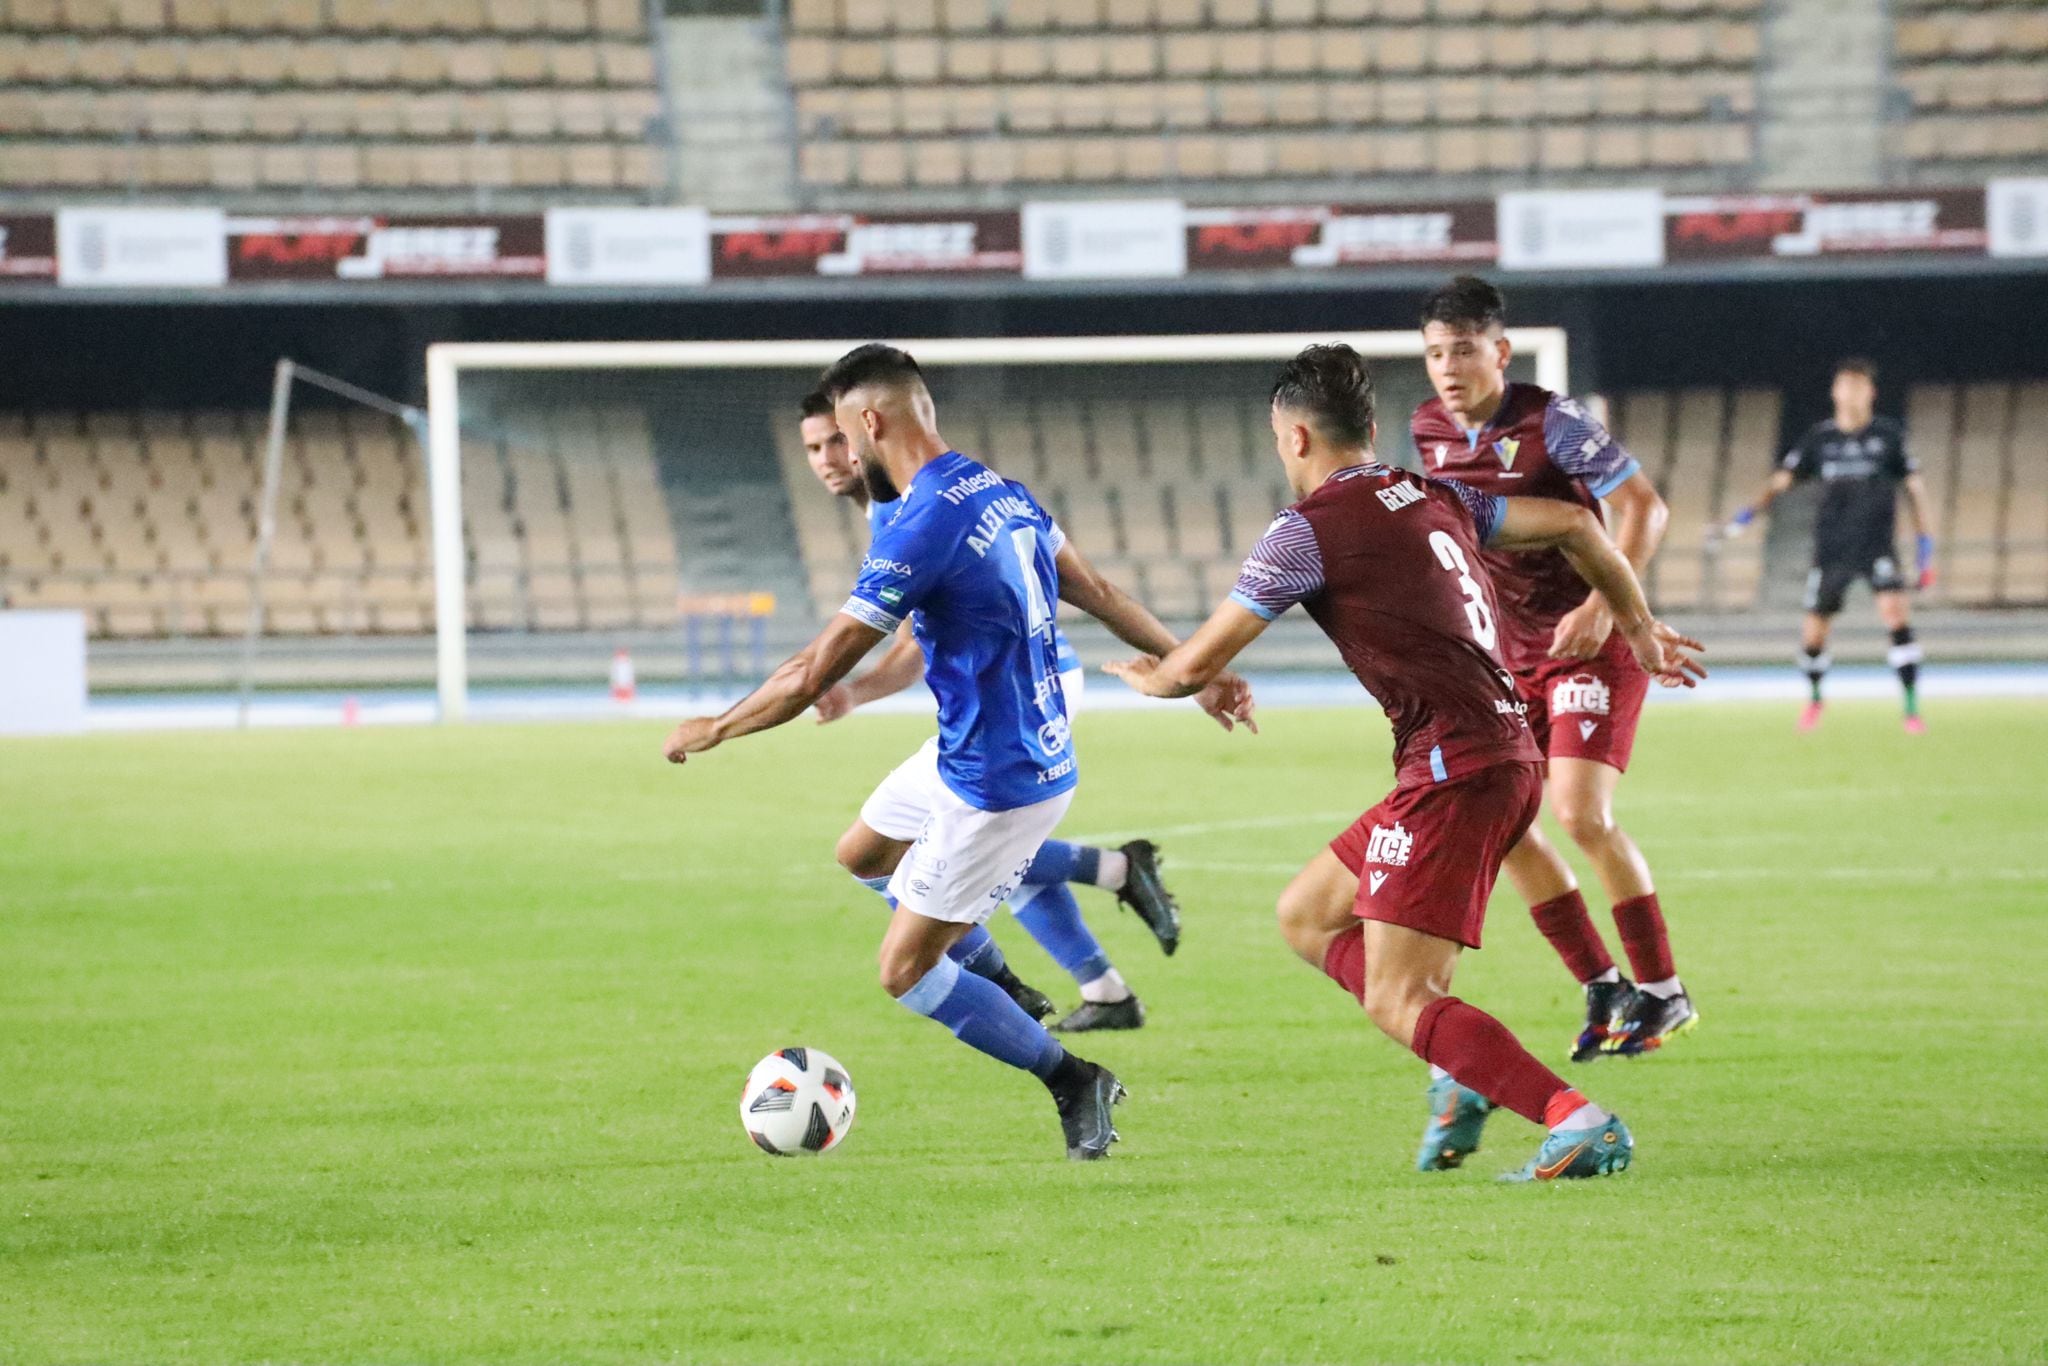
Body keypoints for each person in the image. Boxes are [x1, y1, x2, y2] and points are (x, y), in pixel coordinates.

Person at [1106, 344, 1704, 1179]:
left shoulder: (1305, 530)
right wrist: (1637, 626)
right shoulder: (1437, 493)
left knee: (1400, 996)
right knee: (1308, 915)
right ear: (1373, 429)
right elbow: (1573, 522)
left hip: (1457, 768)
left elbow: (1195, 664)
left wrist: (1153, 679)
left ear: (1298, 439)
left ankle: (1579, 1120)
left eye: (1282, 443)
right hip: (1487, 753)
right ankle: (1460, 1074)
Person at [666, 345, 1254, 1160]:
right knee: (864, 853)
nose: (842, 453)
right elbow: (1106, 595)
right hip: (969, 750)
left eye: (843, 433)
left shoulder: (923, 522)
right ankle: (1000, 973)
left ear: (869, 422)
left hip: (999, 783)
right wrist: (1199, 670)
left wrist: (717, 727)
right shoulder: (1001, 493)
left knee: (903, 972)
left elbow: (813, 668)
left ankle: (1072, 1077)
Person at [796, 390, 1181, 1033]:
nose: (829, 458)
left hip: (1029, 687)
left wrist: (853, 691)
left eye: (836, 440)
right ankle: (1106, 989)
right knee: (991, 845)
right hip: (1028, 684)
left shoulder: (907, 510)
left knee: (963, 834)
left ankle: (1113, 869)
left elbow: (913, 646)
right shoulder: (899, 508)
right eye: (813, 447)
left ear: (866, 430)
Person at [1411, 274, 1695, 1061]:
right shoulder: (1428, 429)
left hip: (1590, 640)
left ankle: (1665, 993)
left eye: (1463, 350)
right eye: (1435, 352)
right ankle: (1603, 983)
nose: (1448, 366)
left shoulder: (1554, 423)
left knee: (1579, 814)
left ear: (1499, 352)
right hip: (1505, 653)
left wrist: (1608, 607)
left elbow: (1646, 508)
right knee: (1503, 823)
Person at [1721, 358, 1935, 734]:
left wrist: (1925, 548)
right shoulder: (1820, 440)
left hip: (1877, 546)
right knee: (1814, 635)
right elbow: (1780, 482)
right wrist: (1746, 515)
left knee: (1897, 617)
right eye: (1845, 385)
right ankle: (1816, 699)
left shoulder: (1888, 436)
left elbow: (1915, 490)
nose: (1852, 392)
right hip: (1831, 549)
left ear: (1871, 393)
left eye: (1859, 385)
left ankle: (1911, 709)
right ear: (1835, 392)